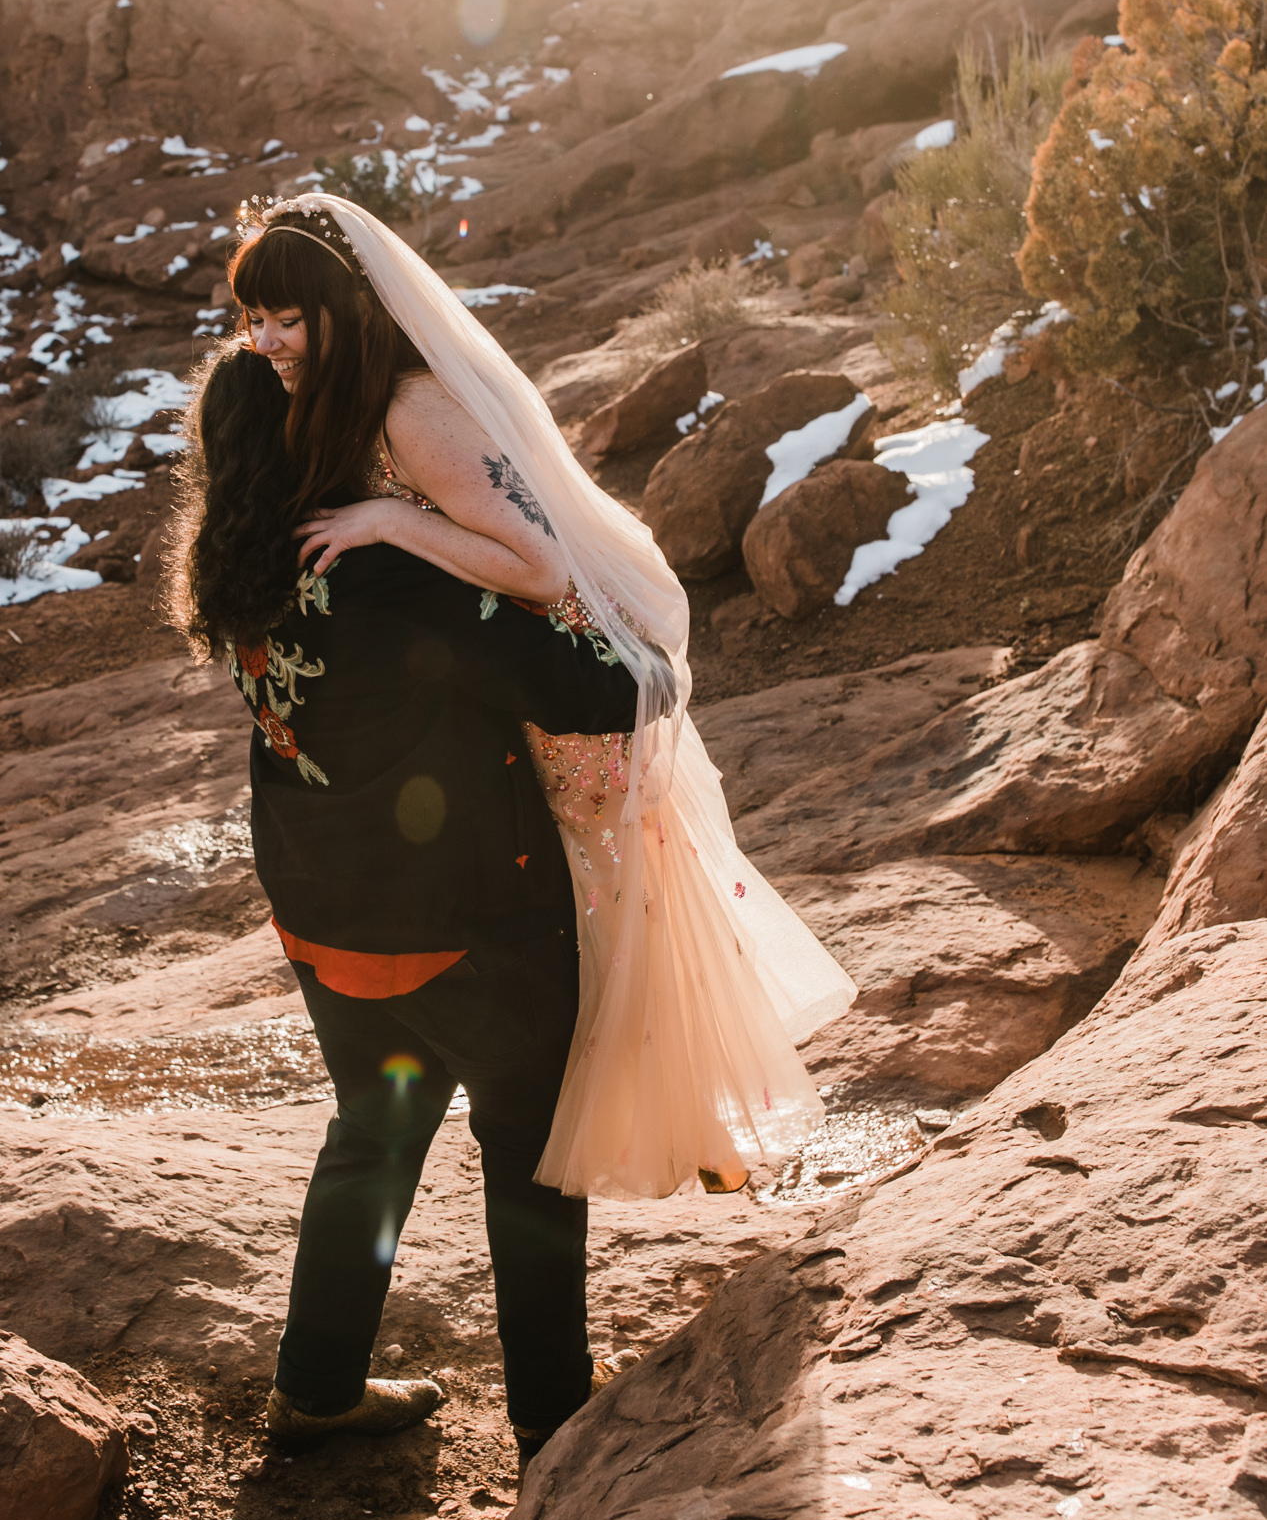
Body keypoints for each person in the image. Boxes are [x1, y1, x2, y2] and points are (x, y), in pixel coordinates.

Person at [226, 193, 857, 1202]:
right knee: (594, 925)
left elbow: (539, 565)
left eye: (285, 319)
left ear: (345, 308)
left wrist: (393, 518)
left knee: (604, 917)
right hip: (490, 679)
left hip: (554, 679)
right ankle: (686, 1131)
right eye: (252, 319)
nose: (263, 342)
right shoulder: (337, 398)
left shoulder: (411, 409)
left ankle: (685, 1126)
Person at [173, 342, 640, 1458]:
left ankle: (318, 1384)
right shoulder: (381, 573)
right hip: (461, 919)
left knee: (371, 1135)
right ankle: (551, 1417)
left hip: (325, 914)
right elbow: (595, 685)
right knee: (529, 1150)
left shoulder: (227, 561)